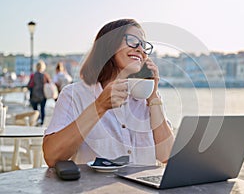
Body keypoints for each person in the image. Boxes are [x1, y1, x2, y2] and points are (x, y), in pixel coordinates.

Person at [43, 19, 175, 167]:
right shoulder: (75, 95)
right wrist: (99, 107)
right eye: (132, 41)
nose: (140, 49)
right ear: (108, 45)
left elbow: (167, 156)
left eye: (144, 45)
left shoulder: (149, 100)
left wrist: (153, 96)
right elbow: (52, 157)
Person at [27, 60, 51, 126]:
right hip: (43, 95)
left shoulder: (33, 75)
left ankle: (38, 119)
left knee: (35, 110)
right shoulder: (45, 75)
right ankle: (42, 122)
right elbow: (50, 84)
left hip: (34, 95)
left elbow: (29, 85)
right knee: (43, 109)